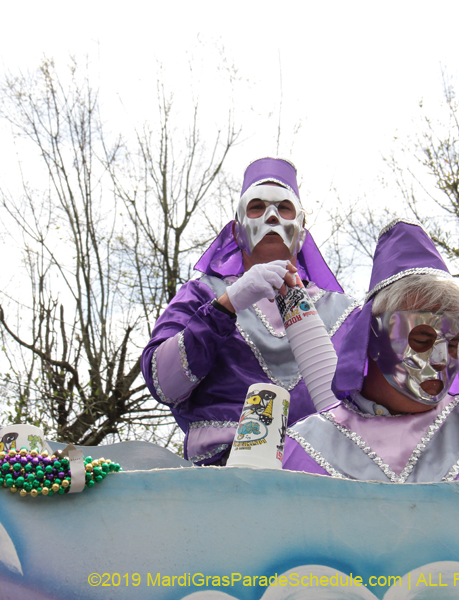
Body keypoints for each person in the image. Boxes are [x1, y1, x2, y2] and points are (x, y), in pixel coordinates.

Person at [283, 219, 459, 481]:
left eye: (454, 344)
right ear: (373, 337)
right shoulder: (301, 449)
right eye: (422, 340)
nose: (442, 360)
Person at [141, 157, 353, 465]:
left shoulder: (345, 313)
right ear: (238, 231)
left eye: (284, 208)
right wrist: (226, 304)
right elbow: (164, 382)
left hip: (320, 480)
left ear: (302, 229)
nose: (271, 217)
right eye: (256, 207)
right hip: (222, 479)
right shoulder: (201, 294)